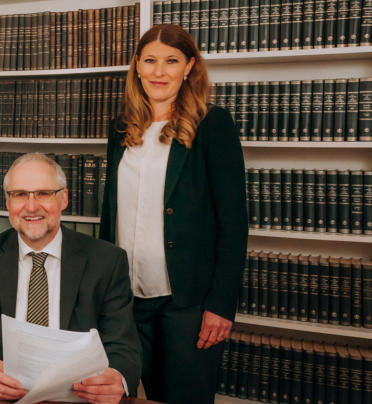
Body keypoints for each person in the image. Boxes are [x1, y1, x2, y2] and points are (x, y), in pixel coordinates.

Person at [98, 24, 248, 403]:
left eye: (171, 61)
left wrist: (220, 305)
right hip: (127, 298)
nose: (159, 72)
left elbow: (233, 223)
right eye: (150, 61)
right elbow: (109, 213)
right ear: (137, 65)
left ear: (189, 67)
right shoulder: (121, 129)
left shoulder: (213, 124)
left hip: (188, 301)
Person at [0, 153, 141, 404]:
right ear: (8, 202)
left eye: (43, 193)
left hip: (75, 399)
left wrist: (117, 378)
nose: (31, 207)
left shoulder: (107, 261)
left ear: (64, 198)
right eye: (20, 194)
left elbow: (124, 346)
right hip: (3, 397)